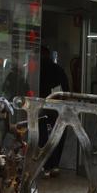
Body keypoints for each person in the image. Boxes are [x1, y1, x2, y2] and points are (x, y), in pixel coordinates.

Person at [38, 47, 70, 177]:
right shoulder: (58, 69)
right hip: (57, 106)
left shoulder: (38, 69)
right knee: (58, 134)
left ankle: (45, 165)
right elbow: (66, 89)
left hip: (40, 106)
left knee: (42, 135)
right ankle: (55, 164)